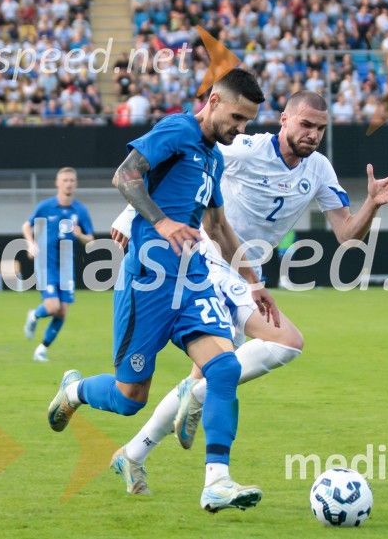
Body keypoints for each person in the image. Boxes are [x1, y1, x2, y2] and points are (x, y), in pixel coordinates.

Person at [108, 90, 388, 496]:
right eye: (306, 124)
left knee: (210, 376)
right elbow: (175, 169)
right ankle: (211, 468)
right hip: (210, 256)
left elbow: (348, 236)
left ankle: (134, 454)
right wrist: (130, 214)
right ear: (284, 119)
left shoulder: (319, 171)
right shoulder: (245, 147)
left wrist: (371, 205)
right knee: (287, 342)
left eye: (320, 128)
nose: (313, 134)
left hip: (247, 272)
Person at [46, 69, 280, 513]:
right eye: (237, 117)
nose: (241, 128)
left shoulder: (214, 158)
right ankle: (74, 391)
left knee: (225, 369)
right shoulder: (178, 129)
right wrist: (161, 222)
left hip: (191, 284)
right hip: (147, 284)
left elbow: (217, 227)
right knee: (129, 398)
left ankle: (217, 482)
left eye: (248, 121)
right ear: (213, 101)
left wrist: (255, 282)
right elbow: (124, 175)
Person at [22, 167, 95, 362]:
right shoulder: (46, 207)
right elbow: (27, 225)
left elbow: (90, 240)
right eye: (65, 180)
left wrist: (80, 235)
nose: (68, 183)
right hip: (46, 263)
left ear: (76, 183)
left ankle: (41, 350)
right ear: (57, 183)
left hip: (66, 266)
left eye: (72, 180)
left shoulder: (80, 210)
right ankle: (34, 315)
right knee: (53, 307)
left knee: (62, 312)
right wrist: (30, 243)